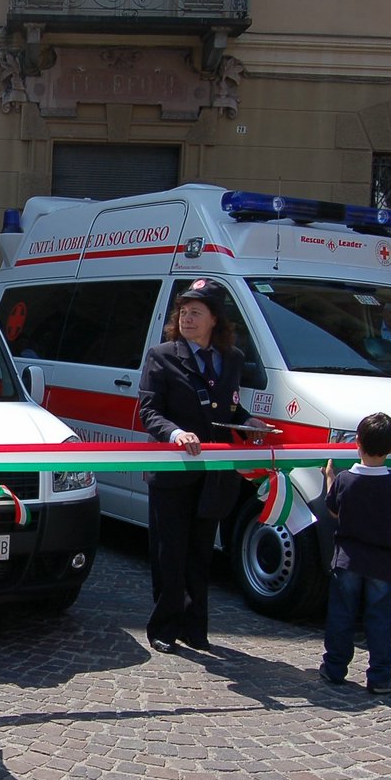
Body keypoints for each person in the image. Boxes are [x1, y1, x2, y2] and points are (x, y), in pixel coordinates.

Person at [137, 279, 269, 655]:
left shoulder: (232, 359)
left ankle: (196, 627)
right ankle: (164, 626)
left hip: (213, 472)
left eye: (196, 312)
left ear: (215, 319)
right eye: (183, 311)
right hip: (173, 470)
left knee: (200, 551)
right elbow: (149, 410)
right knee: (170, 550)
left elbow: (227, 406)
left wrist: (250, 422)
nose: (187, 317)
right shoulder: (162, 356)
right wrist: (175, 433)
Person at [319, 413, 391, 695]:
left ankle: (334, 668)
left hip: (347, 559)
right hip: (382, 561)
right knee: (379, 618)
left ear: (356, 442)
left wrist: (329, 478)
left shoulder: (345, 480)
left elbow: (334, 510)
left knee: (341, 615)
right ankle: (381, 675)